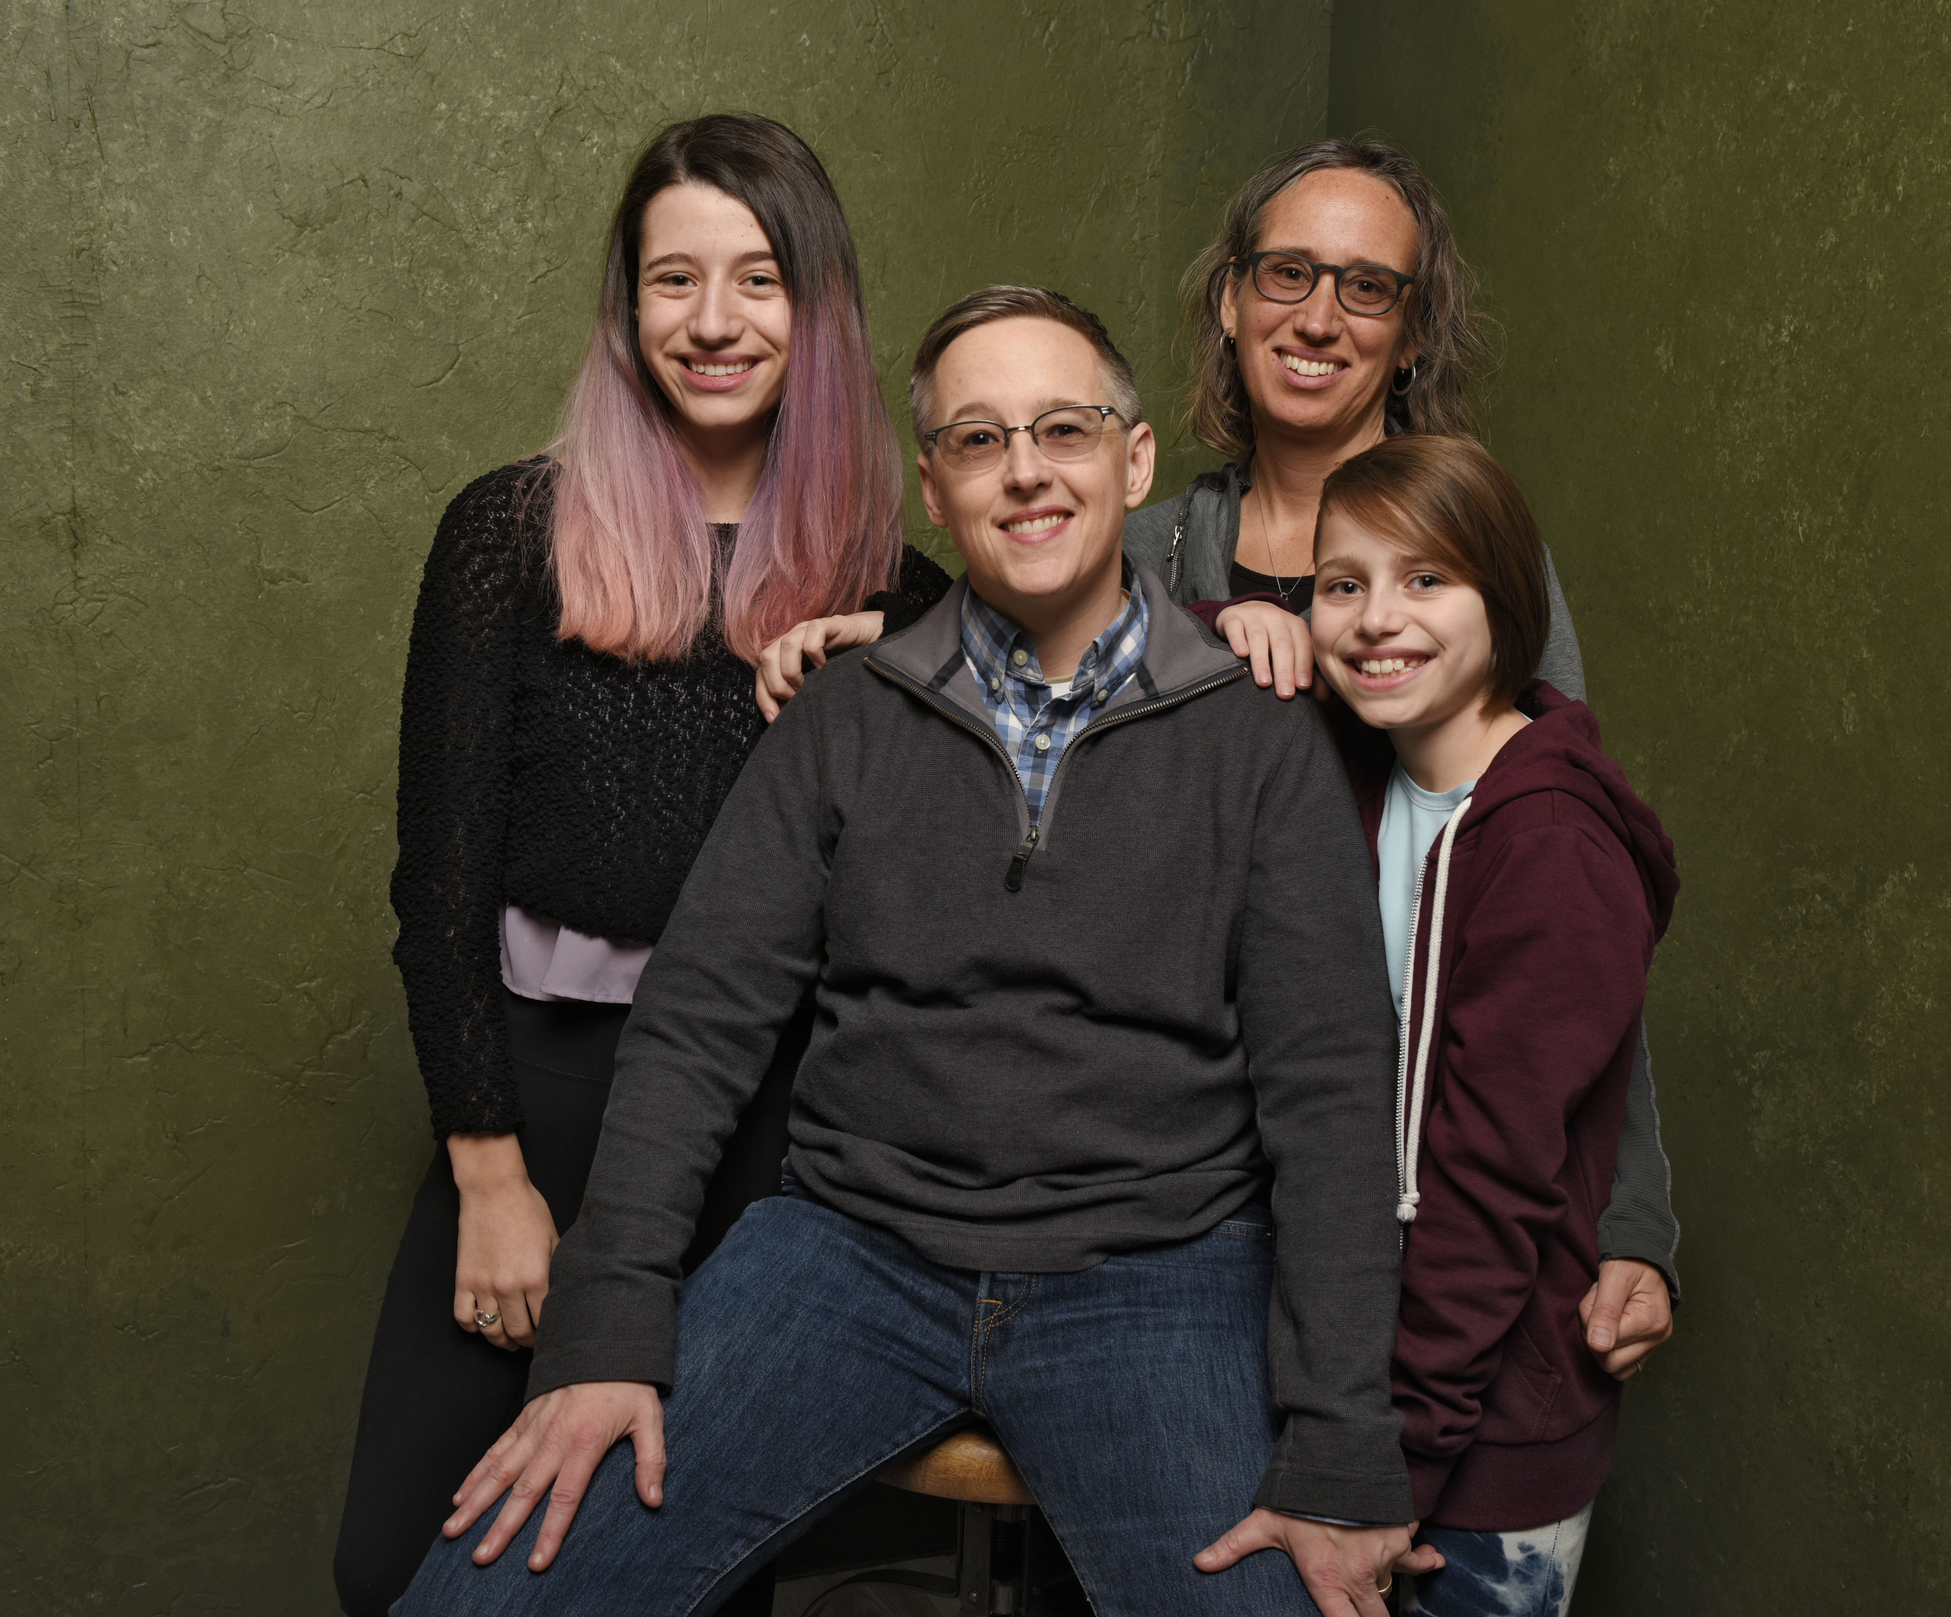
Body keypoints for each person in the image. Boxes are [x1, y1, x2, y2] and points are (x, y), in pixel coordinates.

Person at [393, 286, 1437, 1617]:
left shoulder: (1258, 741)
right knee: (488, 1595)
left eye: (1063, 429)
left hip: (1157, 1274)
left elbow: (1334, 1097)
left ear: (1133, 459)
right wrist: (606, 1327)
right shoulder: (844, 716)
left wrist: (1344, 1440)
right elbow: (698, 1026)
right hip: (849, 1257)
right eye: (978, 440)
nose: (1025, 472)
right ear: (934, 491)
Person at [753, 136, 1679, 1375]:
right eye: (1287, 271)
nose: (1318, 314)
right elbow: (1007, 609)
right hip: (1193, 1201)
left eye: (1367, 287)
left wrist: (1633, 1218)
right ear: (1231, 299)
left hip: (1435, 1138)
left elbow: (1570, 902)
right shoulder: (1146, 549)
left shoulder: (1474, 565)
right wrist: (880, 637)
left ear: (1412, 334)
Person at [331, 114, 950, 1617]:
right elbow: (441, 882)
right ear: (627, 306)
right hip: (535, 1092)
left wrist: (923, 672)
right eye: (676, 279)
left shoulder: (901, 583)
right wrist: (488, 1170)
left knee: (665, 1566)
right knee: (392, 1566)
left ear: (819, 308)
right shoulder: (512, 533)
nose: (716, 321)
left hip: (768, 1126)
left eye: (757, 278)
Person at [1305, 436, 1677, 1613]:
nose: (1376, 619)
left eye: (1426, 580)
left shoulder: (1551, 846)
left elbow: (1487, 1179)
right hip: (1378, 1392)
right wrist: (1228, 622)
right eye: (1339, 585)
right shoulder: (1372, 778)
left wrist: (1393, 1469)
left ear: (1505, 599)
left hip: (1488, 1438)